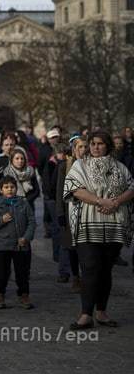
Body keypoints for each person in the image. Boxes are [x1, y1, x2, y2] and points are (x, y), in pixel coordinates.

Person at [63, 131, 134, 330]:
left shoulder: (120, 167)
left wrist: (116, 202)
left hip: (113, 225)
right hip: (87, 223)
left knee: (105, 270)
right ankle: (86, 314)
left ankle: (101, 312)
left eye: (100, 144)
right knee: (90, 267)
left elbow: (131, 187)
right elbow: (74, 189)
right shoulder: (80, 165)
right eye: (92, 143)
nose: (95, 147)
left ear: (108, 146)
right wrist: (100, 201)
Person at [0, 176, 36, 310]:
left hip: (20, 244)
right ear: (1, 190)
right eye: (6, 187)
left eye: (12, 187)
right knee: (1, 272)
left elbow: (31, 221)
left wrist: (26, 237)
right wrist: (1, 220)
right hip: (2, 245)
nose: (9, 190)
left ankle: (24, 294)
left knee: (22, 272)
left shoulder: (23, 203)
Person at [55, 137, 85, 292]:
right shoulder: (64, 166)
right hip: (69, 210)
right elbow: (60, 190)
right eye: (79, 147)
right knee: (72, 247)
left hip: (88, 210)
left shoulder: (92, 165)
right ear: (73, 150)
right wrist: (60, 212)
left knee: (87, 246)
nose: (82, 150)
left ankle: (87, 277)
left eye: (85, 147)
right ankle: (76, 277)